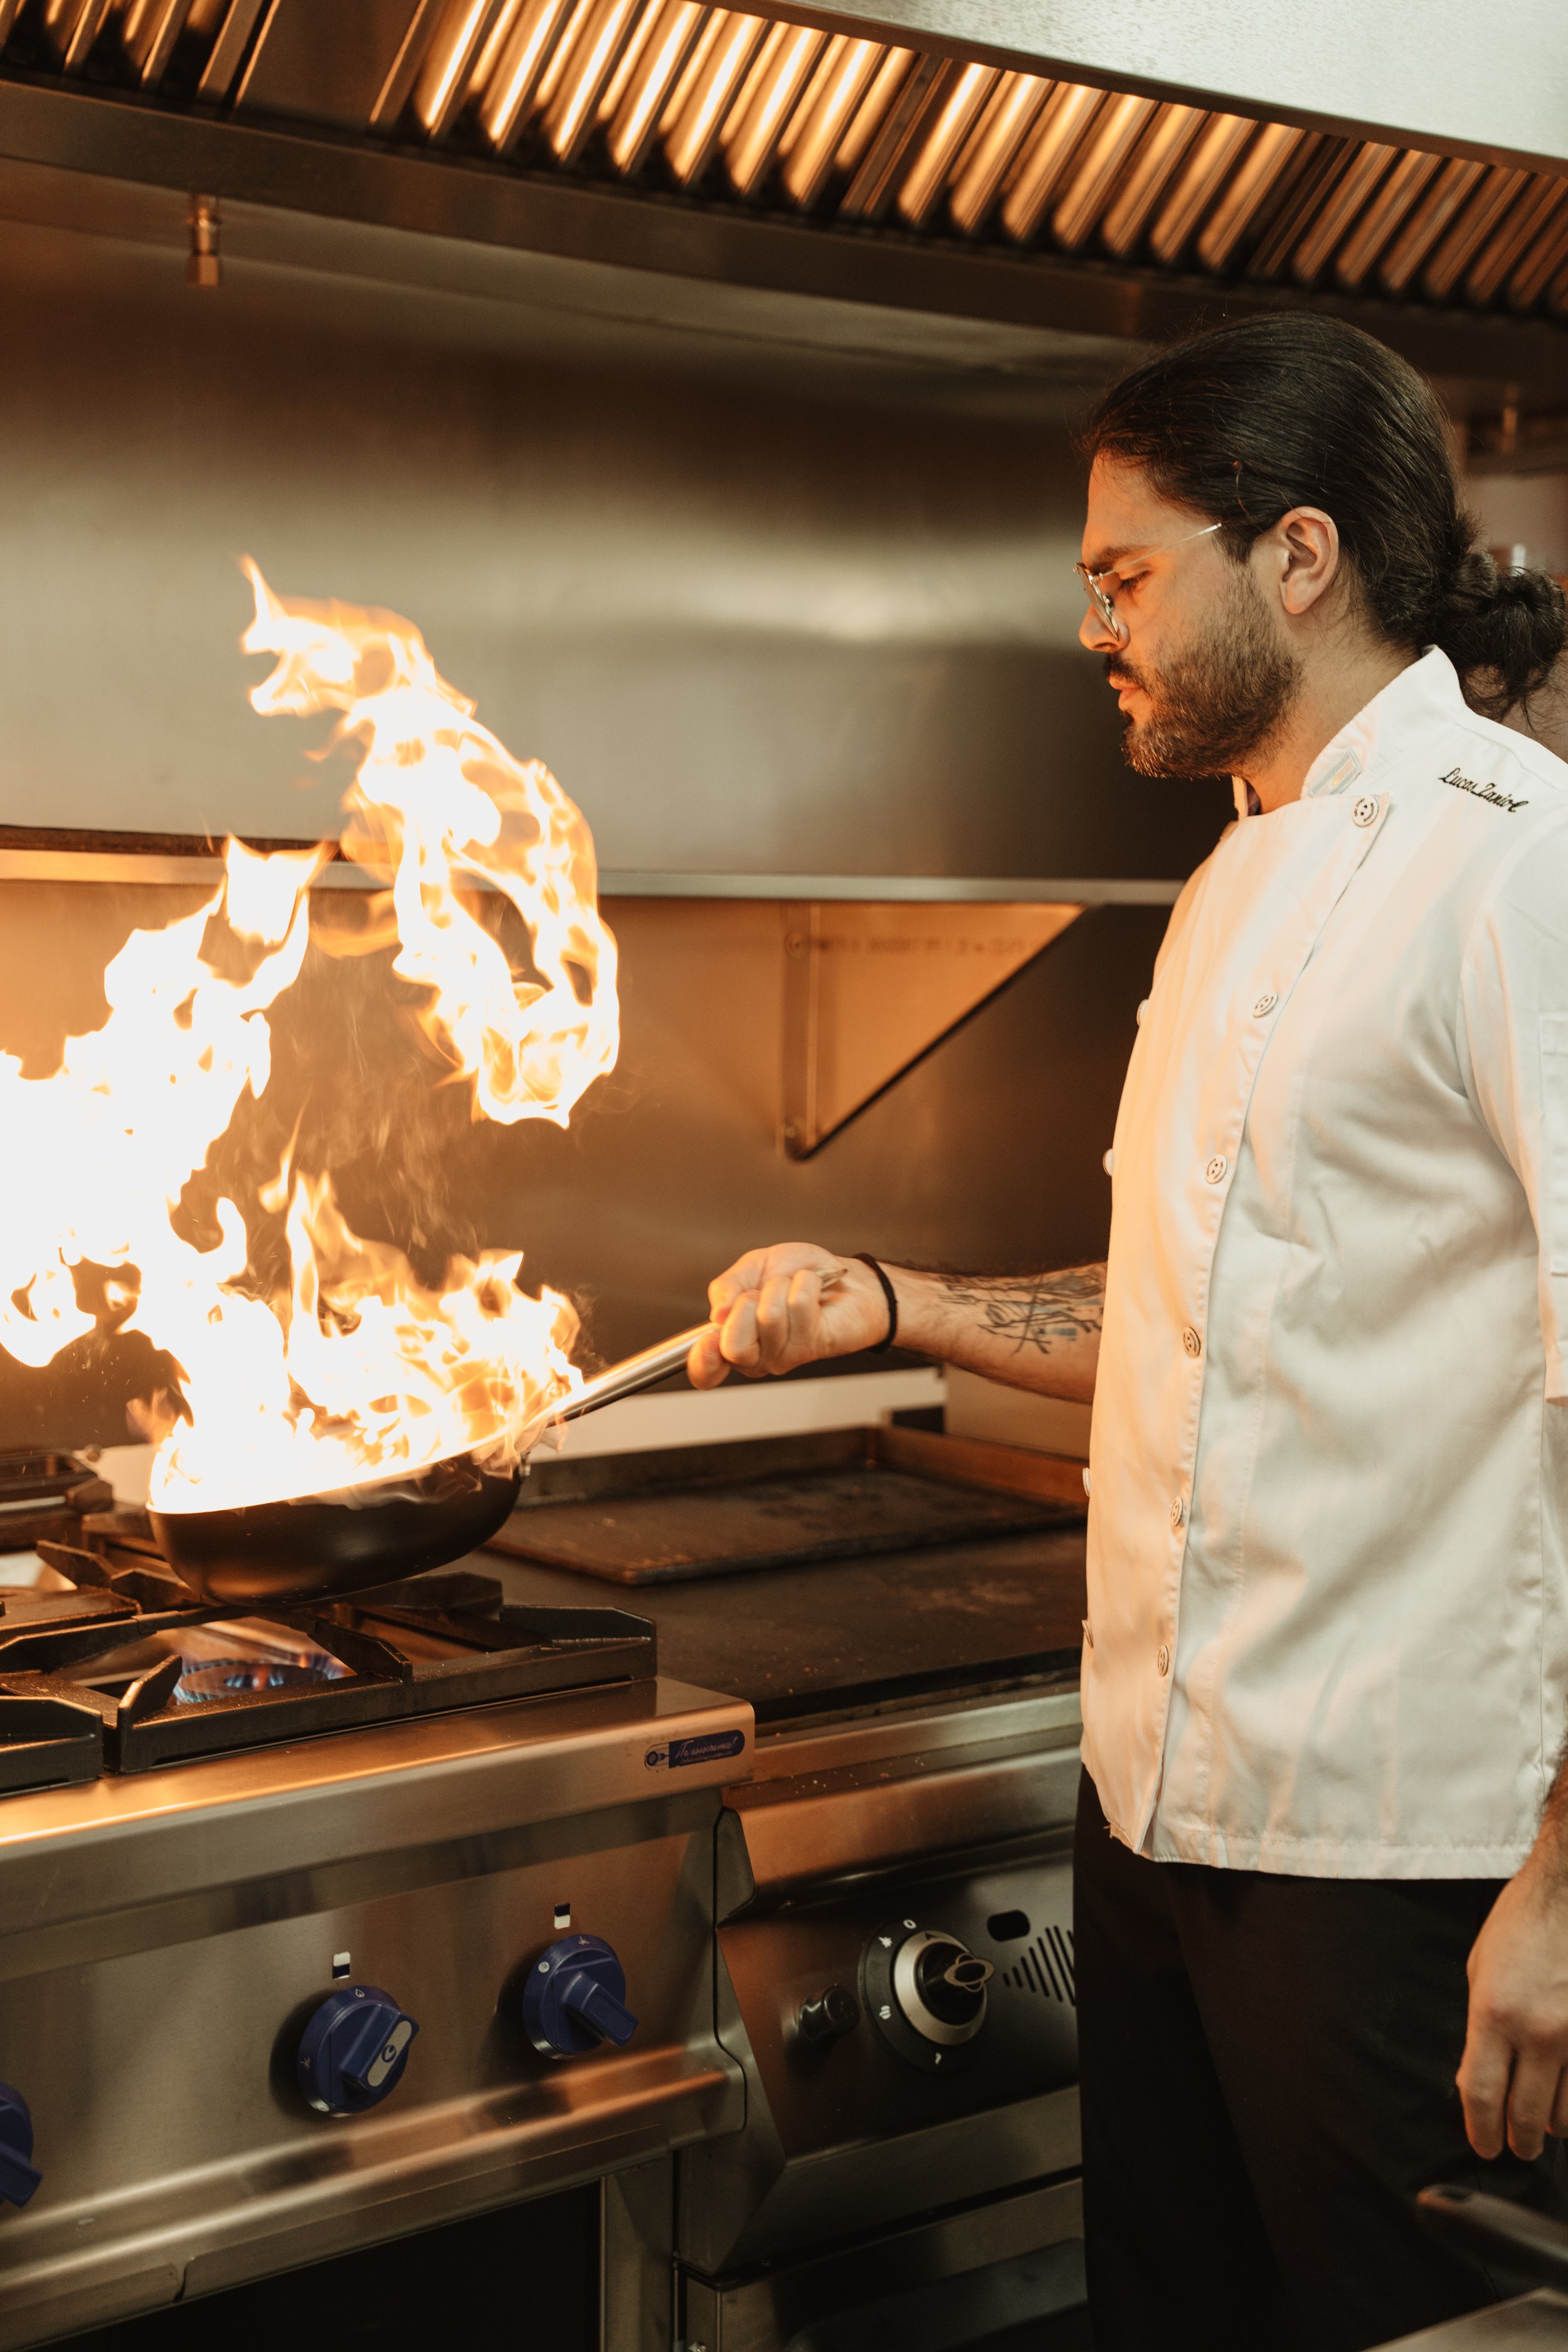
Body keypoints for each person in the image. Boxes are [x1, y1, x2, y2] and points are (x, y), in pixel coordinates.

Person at [684, 313, 1568, 2352]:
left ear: (1298, 557)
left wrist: (1560, 1880)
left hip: (1405, 1861)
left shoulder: (1514, 869)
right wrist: (888, 1304)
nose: (1094, 623)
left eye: (1120, 573)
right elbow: (1188, 1304)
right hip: (1158, 1823)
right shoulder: (1227, 886)